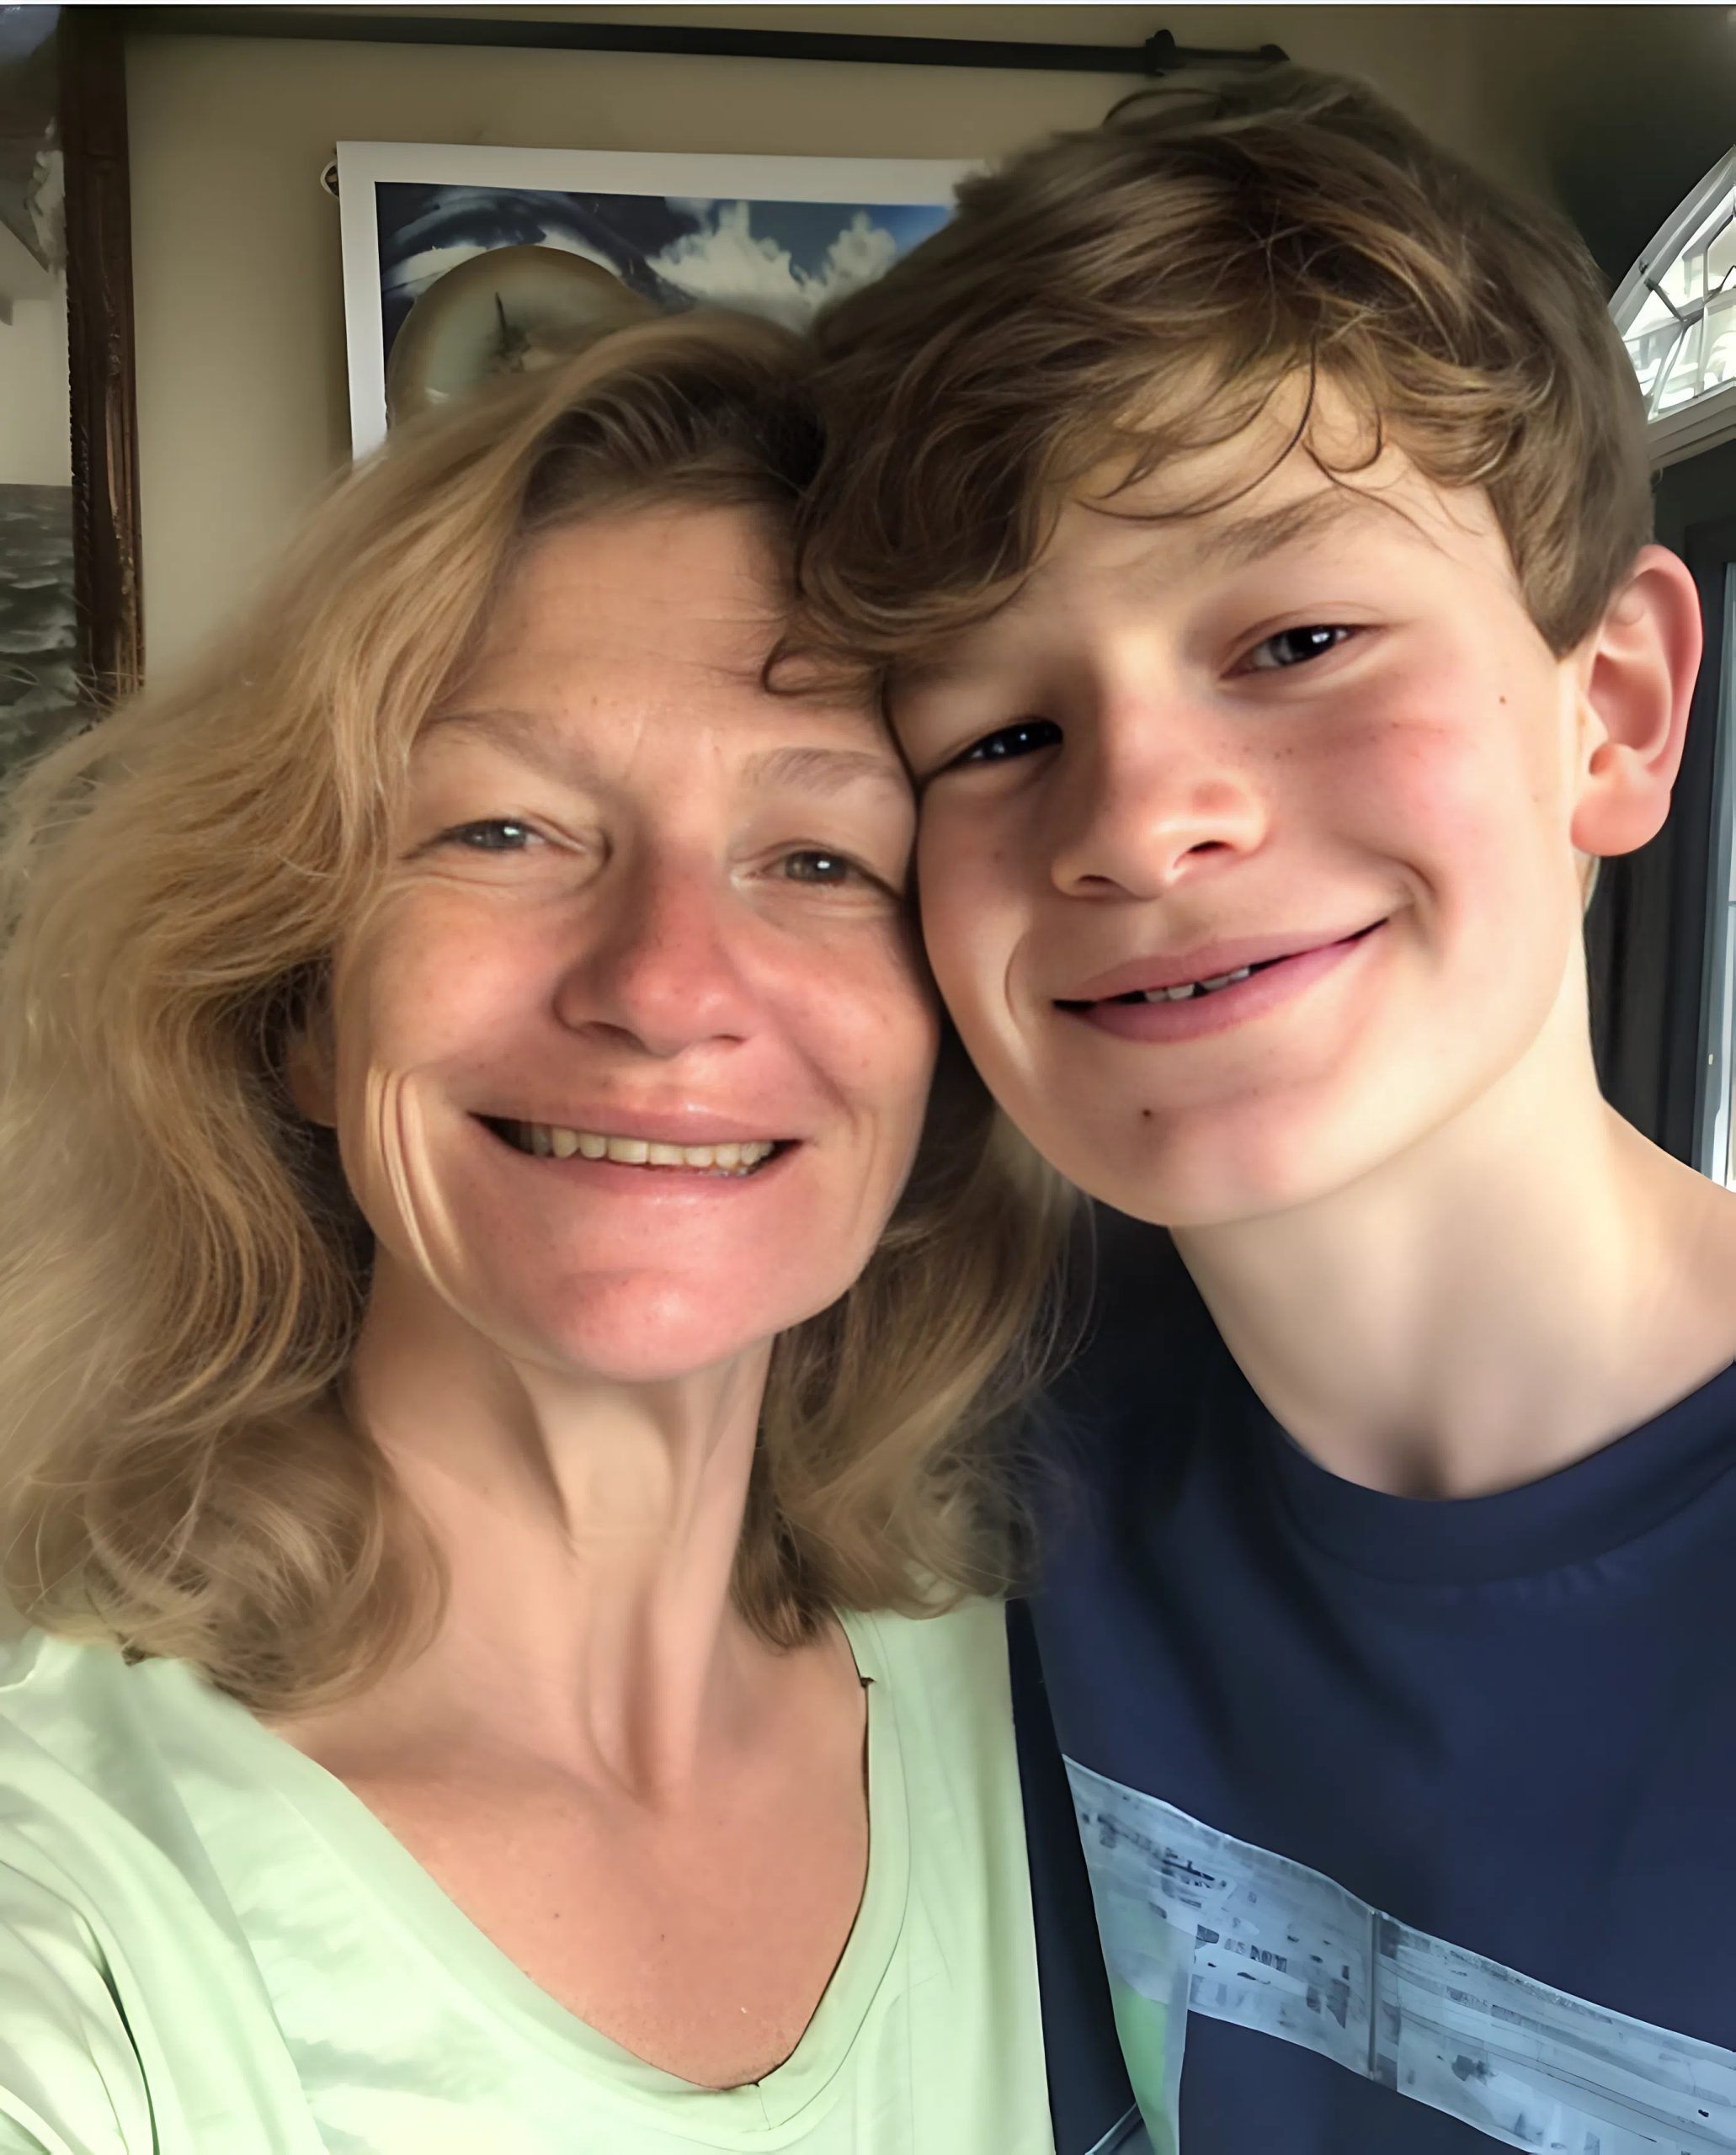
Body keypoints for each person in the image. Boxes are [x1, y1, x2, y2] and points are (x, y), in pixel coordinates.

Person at [791, 63, 1736, 2155]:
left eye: (1298, 636)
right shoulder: (939, 1459)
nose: (1137, 820)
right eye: (998, 732)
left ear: (1609, 712)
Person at [0, 314, 1070, 2155]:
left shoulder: (1072, 1729)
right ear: (303, 1004)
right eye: (503, 830)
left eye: (819, 859)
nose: (663, 986)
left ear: (945, 1058)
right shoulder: (74, 1905)